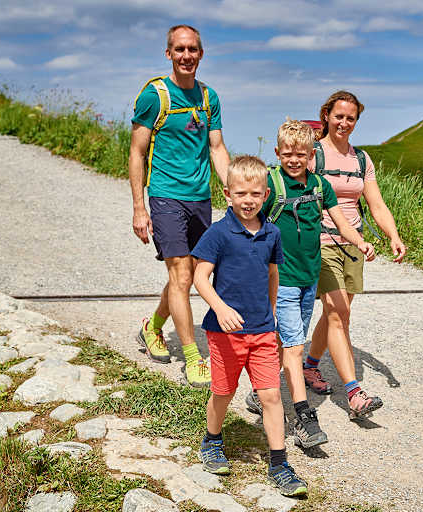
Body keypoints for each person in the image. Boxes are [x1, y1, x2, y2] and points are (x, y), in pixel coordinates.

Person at [245, 119, 375, 448]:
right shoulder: (272, 184)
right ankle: (304, 417)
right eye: (287, 154)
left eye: (301, 154)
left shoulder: (320, 186)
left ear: (311, 155)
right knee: (295, 347)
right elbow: (246, 215)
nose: (294, 160)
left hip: (308, 277)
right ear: (277, 153)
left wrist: (358, 242)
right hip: (282, 279)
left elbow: (341, 221)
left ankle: (261, 392)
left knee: (288, 341)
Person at [191, 155, 308, 496]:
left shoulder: (272, 233)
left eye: (256, 194)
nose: (248, 200)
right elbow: (200, 278)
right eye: (241, 193)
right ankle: (211, 439)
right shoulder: (218, 233)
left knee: (271, 395)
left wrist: (270, 312)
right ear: (227, 193)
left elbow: (273, 274)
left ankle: (279, 463)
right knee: (223, 392)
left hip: (261, 331)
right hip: (225, 332)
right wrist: (220, 308)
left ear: (266, 194)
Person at [129, 24, 230, 387]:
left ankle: (152, 327)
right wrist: (140, 208)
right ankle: (192, 358)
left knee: (186, 274)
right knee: (182, 275)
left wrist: (232, 186)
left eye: (193, 49)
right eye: (179, 49)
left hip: (200, 198)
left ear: (201, 54)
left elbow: (216, 148)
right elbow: (137, 152)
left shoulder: (209, 97)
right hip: (165, 196)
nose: (186, 55)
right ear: (169, 53)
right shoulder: (154, 96)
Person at [305, 91, 407, 420]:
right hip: (320, 242)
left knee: (338, 312)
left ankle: (309, 367)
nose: (344, 123)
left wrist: (393, 235)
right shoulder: (313, 154)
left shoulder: (361, 160)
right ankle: (354, 393)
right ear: (326, 115)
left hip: (354, 244)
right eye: (339, 116)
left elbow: (376, 204)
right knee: (339, 314)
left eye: (351, 118)